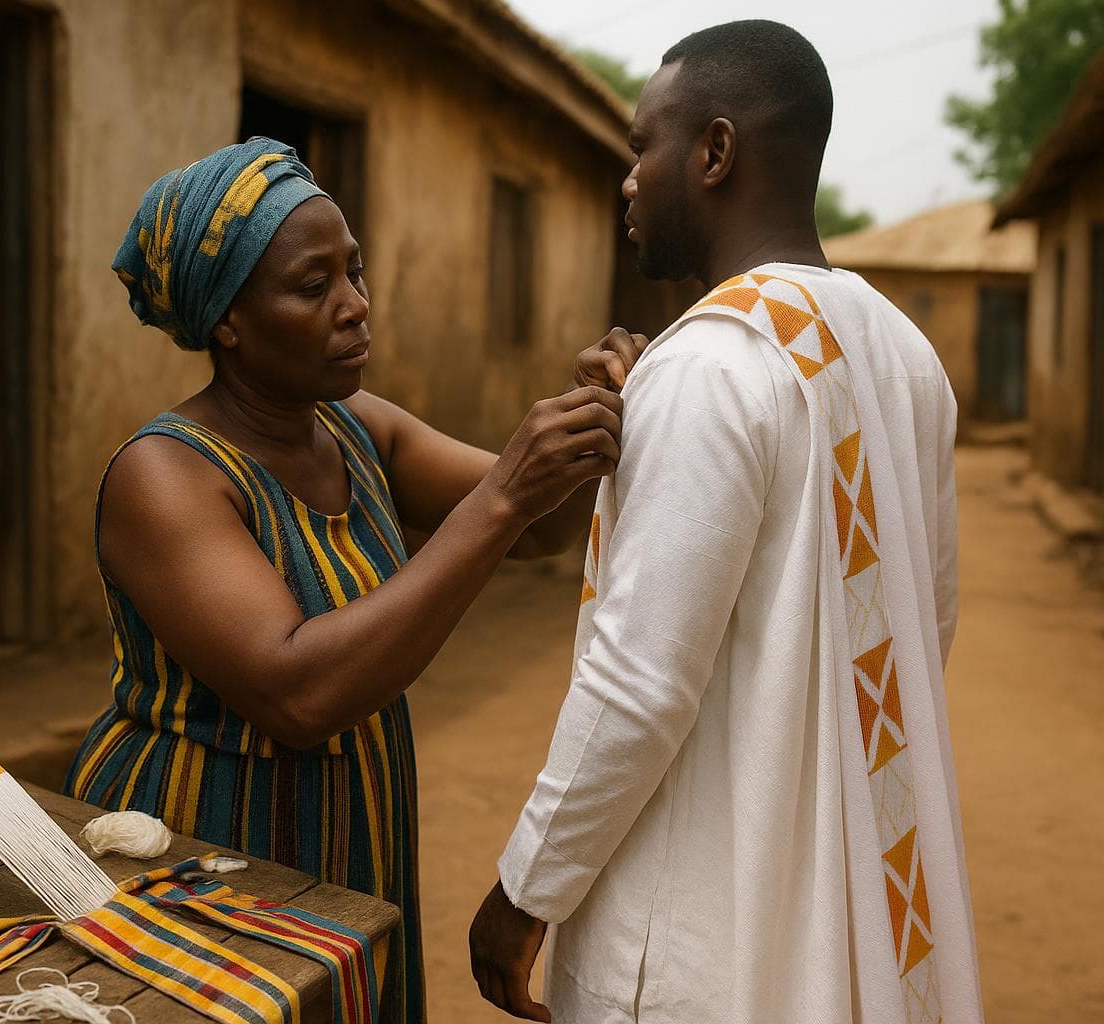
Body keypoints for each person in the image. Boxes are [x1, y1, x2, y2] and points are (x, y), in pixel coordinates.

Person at [469, 20, 984, 1024]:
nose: (627, 181)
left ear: (714, 151)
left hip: (705, 940)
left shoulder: (708, 367)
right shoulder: (903, 354)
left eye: (639, 148)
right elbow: (927, 619)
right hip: (844, 910)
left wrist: (525, 889)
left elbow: (639, 682)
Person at [64, 137, 640, 1024]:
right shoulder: (166, 475)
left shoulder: (353, 427)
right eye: (313, 286)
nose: (356, 307)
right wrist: (505, 492)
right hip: (206, 841)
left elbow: (540, 529)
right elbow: (299, 693)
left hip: (351, 819)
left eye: (356, 273)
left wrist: (592, 421)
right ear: (228, 320)